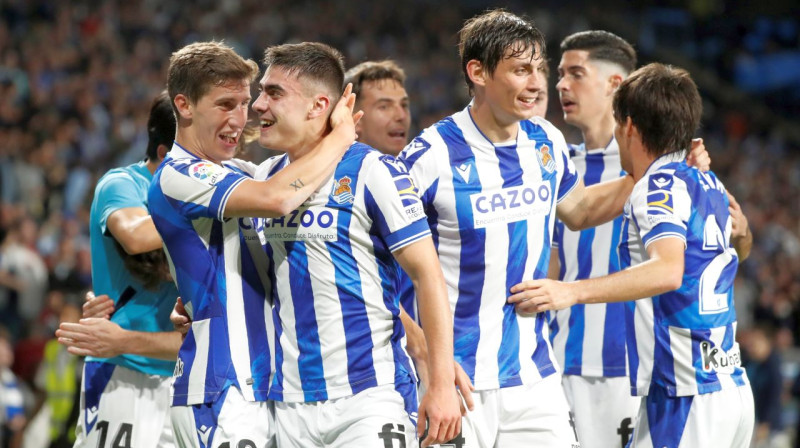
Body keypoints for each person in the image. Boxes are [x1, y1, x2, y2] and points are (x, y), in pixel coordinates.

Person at [399, 9, 645, 447]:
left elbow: (580, 210)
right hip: (455, 380)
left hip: (533, 376)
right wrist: (423, 352)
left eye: (539, 70)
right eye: (520, 70)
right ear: (477, 72)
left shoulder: (545, 140)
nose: (536, 84)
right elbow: (374, 266)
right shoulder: (430, 156)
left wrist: (647, 169)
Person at [509, 63, 755, 447]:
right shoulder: (707, 181)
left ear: (628, 127)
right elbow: (736, 248)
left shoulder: (656, 187)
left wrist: (571, 292)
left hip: (686, 393)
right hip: (729, 386)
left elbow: (669, 270)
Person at [148, 40, 359, 447]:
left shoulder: (239, 174)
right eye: (225, 104)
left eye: (244, 103)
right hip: (222, 390)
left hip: (266, 389)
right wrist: (341, 136)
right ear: (185, 106)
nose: (240, 118)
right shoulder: (179, 173)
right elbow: (277, 199)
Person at [250, 41, 461, 448]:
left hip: (368, 397)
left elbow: (427, 275)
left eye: (274, 93)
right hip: (288, 404)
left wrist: (441, 382)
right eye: (262, 91)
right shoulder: (265, 179)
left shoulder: (372, 169)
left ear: (318, 106)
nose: (259, 105)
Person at [53, 92, 181, 448]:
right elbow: (134, 236)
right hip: (124, 375)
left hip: (189, 380)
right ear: (165, 155)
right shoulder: (123, 185)